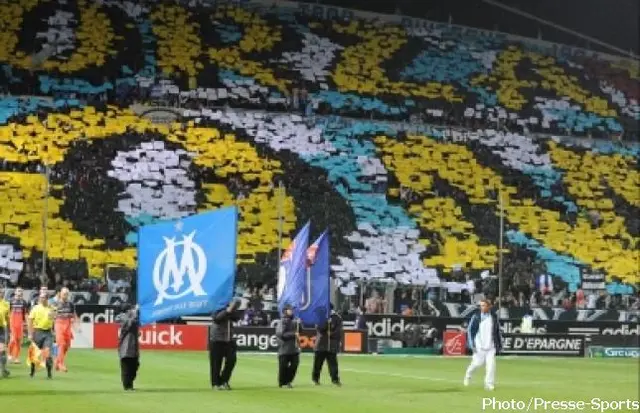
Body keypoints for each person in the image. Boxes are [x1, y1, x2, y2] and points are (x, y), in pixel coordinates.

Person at [463, 299, 502, 391]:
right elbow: (470, 331)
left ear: (489, 306)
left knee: (491, 366)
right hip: (479, 346)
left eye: (484, 305)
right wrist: (472, 344)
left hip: (491, 346)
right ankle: (468, 375)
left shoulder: (493, 316)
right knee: (477, 364)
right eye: (481, 305)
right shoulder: (476, 317)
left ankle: (489, 384)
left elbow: (497, 331)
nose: (482, 307)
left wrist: (499, 344)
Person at [209, 300, 240, 390]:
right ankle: (215, 384)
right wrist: (227, 311)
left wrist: (234, 307)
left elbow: (237, 318)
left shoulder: (231, 306)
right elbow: (217, 319)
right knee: (216, 363)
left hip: (229, 339)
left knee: (231, 360)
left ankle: (224, 381)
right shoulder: (215, 307)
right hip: (217, 339)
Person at [312, 304, 342, 386]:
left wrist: (330, 334)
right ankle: (315, 379)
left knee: (333, 364)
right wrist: (326, 322)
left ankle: (335, 380)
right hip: (321, 344)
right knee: (318, 364)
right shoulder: (320, 317)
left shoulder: (337, 318)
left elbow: (338, 332)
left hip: (331, 344)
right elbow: (319, 329)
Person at [27, 292, 55, 379]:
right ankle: (32, 371)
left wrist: (53, 315)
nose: (42, 299)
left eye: (44, 298)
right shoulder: (35, 308)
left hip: (48, 333)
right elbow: (30, 321)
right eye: (41, 297)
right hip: (37, 332)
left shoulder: (52, 308)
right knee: (34, 354)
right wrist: (30, 333)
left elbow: (55, 317)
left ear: (47, 299)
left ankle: (49, 373)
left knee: (47, 353)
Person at [53, 288, 78, 372]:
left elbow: (73, 314)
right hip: (59, 324)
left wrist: (75, 323)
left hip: (67, 324)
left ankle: (57, 361)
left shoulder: (71, 304)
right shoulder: (55, 303)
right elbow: (51, 314)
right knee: (61, 344)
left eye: (67, 294)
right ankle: (61, 364)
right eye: (64, 293)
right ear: (60, 294)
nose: (65, 295)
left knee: (67, 346)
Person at [276, 304, 300, 388]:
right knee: (283, 367)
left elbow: (300, 331)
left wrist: (300, 324)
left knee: (294, 365)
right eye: (290, 310)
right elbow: (281, 334)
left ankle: (288, 381)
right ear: (285, 311)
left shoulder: (295, 321)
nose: (292, 311)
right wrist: (294, 334)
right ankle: (282, 382)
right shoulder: (282, 321)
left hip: (294, 348)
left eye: (292, 310)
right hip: (284, 348)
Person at [118, 304, 140, 391]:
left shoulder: (131, 317)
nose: (133, 310)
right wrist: (135, 313)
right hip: (125, 347)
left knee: (134, 366)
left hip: (133, 347)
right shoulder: (121, 317)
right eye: (131, 309)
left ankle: (129, 385)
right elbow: (129, 324)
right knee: (126, 368)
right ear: (127, 310)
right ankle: (127, 387)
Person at [8, 287, 29, 363]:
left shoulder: (24, 302)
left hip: (20, 323)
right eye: (18, 291)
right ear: (15, 292)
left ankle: (16, 357)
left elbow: (25, 313)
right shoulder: (10, 301)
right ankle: (10, 354)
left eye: (21, 291)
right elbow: (8, 312)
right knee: (13, 339)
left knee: (18, 340)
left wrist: (25, 323)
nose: (20, 292)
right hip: (12, 322)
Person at [0, 287, 10, 378]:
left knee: (2, 351)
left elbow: (7, 318)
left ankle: (3, 369)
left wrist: (9, 330)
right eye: (0, 292)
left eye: (2, 292)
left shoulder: (6, 304)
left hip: (1, 329)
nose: (1, 294)